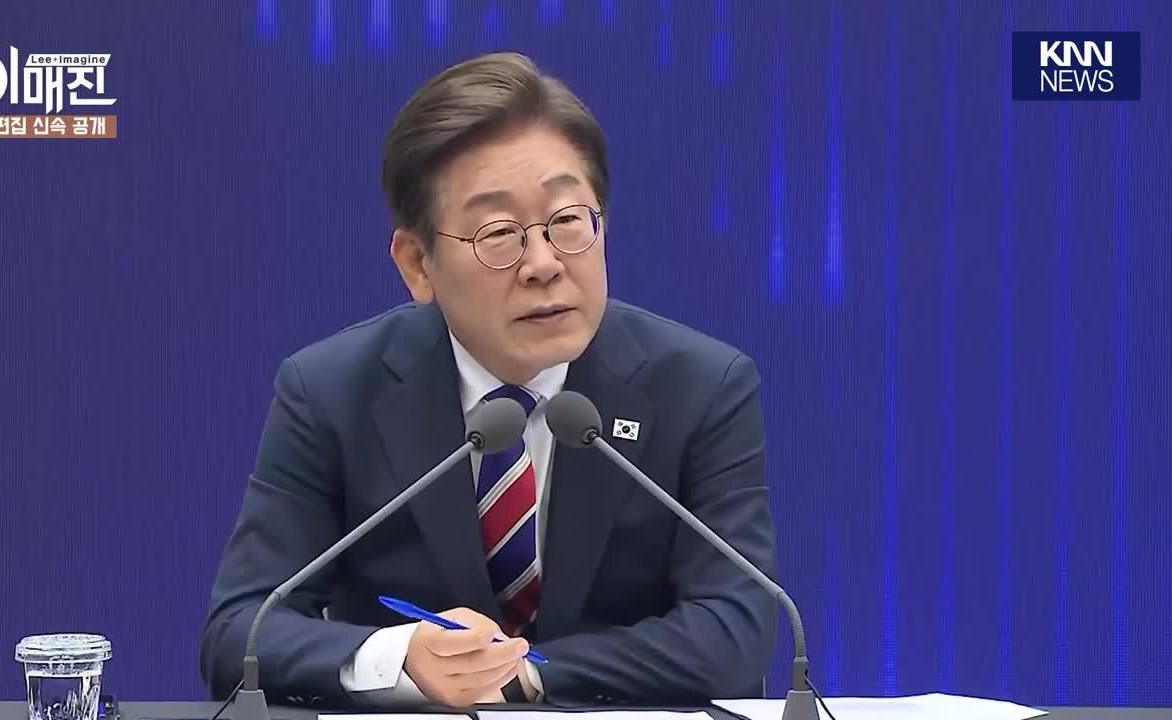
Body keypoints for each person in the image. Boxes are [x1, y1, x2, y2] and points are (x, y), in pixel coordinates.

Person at [199, 52, 778, 709]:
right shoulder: (332, 392)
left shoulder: (701, 387)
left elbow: (737, 628)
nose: (544, 264)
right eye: (498, 234)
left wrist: (525, 672)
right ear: (418, 264)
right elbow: (238, 632)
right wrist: (400, 658)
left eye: (568, 221)